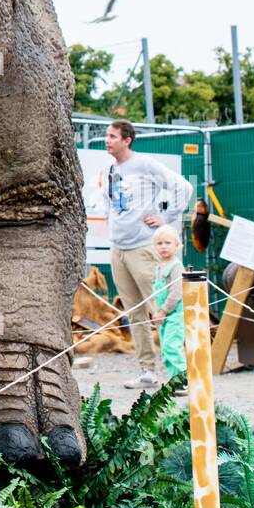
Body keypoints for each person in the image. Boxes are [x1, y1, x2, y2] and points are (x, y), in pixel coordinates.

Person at [103, 120, 193, 388]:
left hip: (143, 248)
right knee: (135, 313)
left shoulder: (144, 164)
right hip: (118, 248)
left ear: (127, 140)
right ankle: (147, 371)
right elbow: (112, 204)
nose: (107, 140)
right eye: (107, 136)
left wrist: (164, 218)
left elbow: (184, 188)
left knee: (161, 310)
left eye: (112, 136)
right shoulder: (110, 169)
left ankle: (180, 375)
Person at [150, 224, 188, 394]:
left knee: (173, 346)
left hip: (175, 315)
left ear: (177, 245)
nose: (163, 246)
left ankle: (184, 379)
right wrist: (156, 312)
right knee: (165, 349)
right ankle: (175, 382)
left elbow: (176, 292)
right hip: (163, 316)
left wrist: (163, 311)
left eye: (167, 242)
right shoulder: (158, 267)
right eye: (159, 243)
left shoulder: (176, 266)